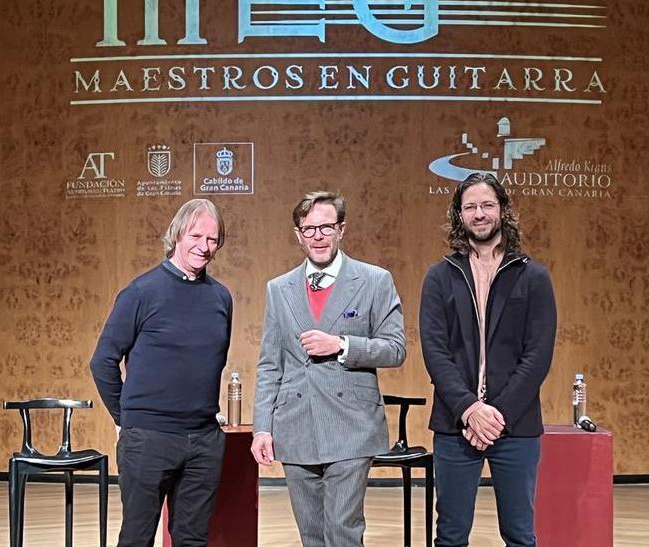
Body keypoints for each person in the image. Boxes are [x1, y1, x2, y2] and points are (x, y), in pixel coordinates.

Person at [250, 191, 406, 547]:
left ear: (341, 229)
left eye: (325, 227)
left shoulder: (374, 280)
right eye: (309, 229)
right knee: (312, 534)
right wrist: (262, 428)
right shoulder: (279, 288)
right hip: (295, 424)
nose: (317, 236)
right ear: (298, 235)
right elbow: (270, 363)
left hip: (351, 424)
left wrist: (342, 345)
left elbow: (395, 350)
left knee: (342, 529)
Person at [419, 173, 557, 547]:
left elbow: (538, 355)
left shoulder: (533, 277)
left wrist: (494, 416)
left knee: (519, 534)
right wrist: (470, 410)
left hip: (515, 426)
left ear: (503, 211)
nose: (479, 214)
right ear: (459, 215)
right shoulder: (439, 277)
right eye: (470, 207)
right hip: (455, 424)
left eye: (487, 205)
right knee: (449, 535)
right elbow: (435, 352)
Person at [89, 199, 232, 547]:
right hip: (148, 440)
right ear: (177, 234)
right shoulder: (141, 292)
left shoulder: (221, 297)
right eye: (196, 235)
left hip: (203, 441)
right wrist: (128, 419)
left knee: (193, 539)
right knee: (137, 538)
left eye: (213, 239)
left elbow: (215, 359)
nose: (204, 246)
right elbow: (102, 361)